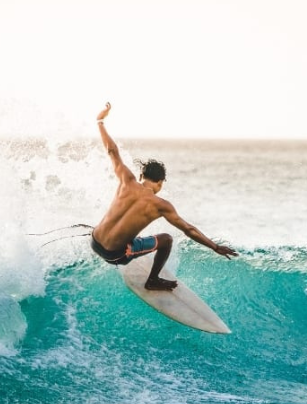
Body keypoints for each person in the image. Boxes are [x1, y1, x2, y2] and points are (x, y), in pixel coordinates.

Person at [90, 102, 238, 291]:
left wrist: (100, 121)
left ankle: (122, 242)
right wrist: (215, 247)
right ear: (160, 182)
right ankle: (153, 280)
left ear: (142, 176)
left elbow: (112, 150)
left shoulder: (126, 179)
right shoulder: (161, 205)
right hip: (114, 255)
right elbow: (189, 229)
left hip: (94, 241)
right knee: (166, 239)